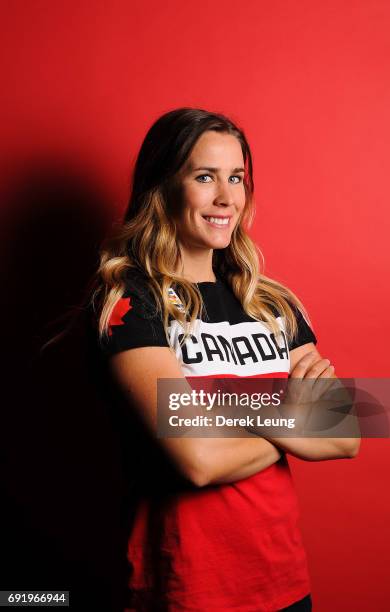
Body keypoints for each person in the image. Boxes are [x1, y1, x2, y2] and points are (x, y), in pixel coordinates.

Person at [90, 107, 360, 611]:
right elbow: (198, 459)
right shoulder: (131, 302)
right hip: (188, 589)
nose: (225, 197)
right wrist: (292, 418)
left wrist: (217, 412)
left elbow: (346, 435)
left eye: (236, 178)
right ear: (163, 186)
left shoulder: (272, 302)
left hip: (284, 583)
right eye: (204, 176)